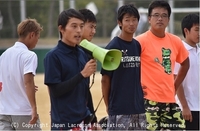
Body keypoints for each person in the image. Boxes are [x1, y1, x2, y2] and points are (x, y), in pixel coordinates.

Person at [135, 0, 189, 130]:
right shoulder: (139, 42)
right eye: (156, 15)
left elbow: (185, 63)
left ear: (168, 19)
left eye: (164, 15)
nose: (160, 19)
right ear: (149, 19)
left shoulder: (175, 41)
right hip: (147, 101)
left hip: (170, 100)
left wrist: (174, 85)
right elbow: (129, 68)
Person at [43, 8, 97, 130]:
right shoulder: (53, 56)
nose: (78, 30)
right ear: (61, 29)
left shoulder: (82, 54)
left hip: (85, 121)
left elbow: (85, 91)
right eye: (74, 26)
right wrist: (82, 74)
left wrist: (93, 120)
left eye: (81, 26)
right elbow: (56, 91)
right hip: (64, 124)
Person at [101, 4, 146, 130]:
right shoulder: (113, 46)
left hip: (138, 108)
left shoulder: (137, 45)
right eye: (127, 20)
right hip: (119, 109)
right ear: (119, 23)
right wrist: (108, 106)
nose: (131, 23)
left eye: (134, 20)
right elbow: (105, 79)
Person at [0, 18, 43, 130]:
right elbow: (28, 82)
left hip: (4, 112)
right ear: (32, 35)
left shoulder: (3, 55)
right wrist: (34, 108)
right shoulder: (29, 55)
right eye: (37, 37)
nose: (37, 41)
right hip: (23, 112)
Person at [174, 13, 199, 130]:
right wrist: (184, 106)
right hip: (188, 109)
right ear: (186, 30)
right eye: (197, 30)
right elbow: (176, 80)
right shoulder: (180, 52)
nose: (199, 33)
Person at [79, 8, 101, 130]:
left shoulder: (88, 52)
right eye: (91, 27)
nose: (94, 31)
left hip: (84, 114)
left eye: (95, 27)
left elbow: (85, 91)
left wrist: (93, 119)